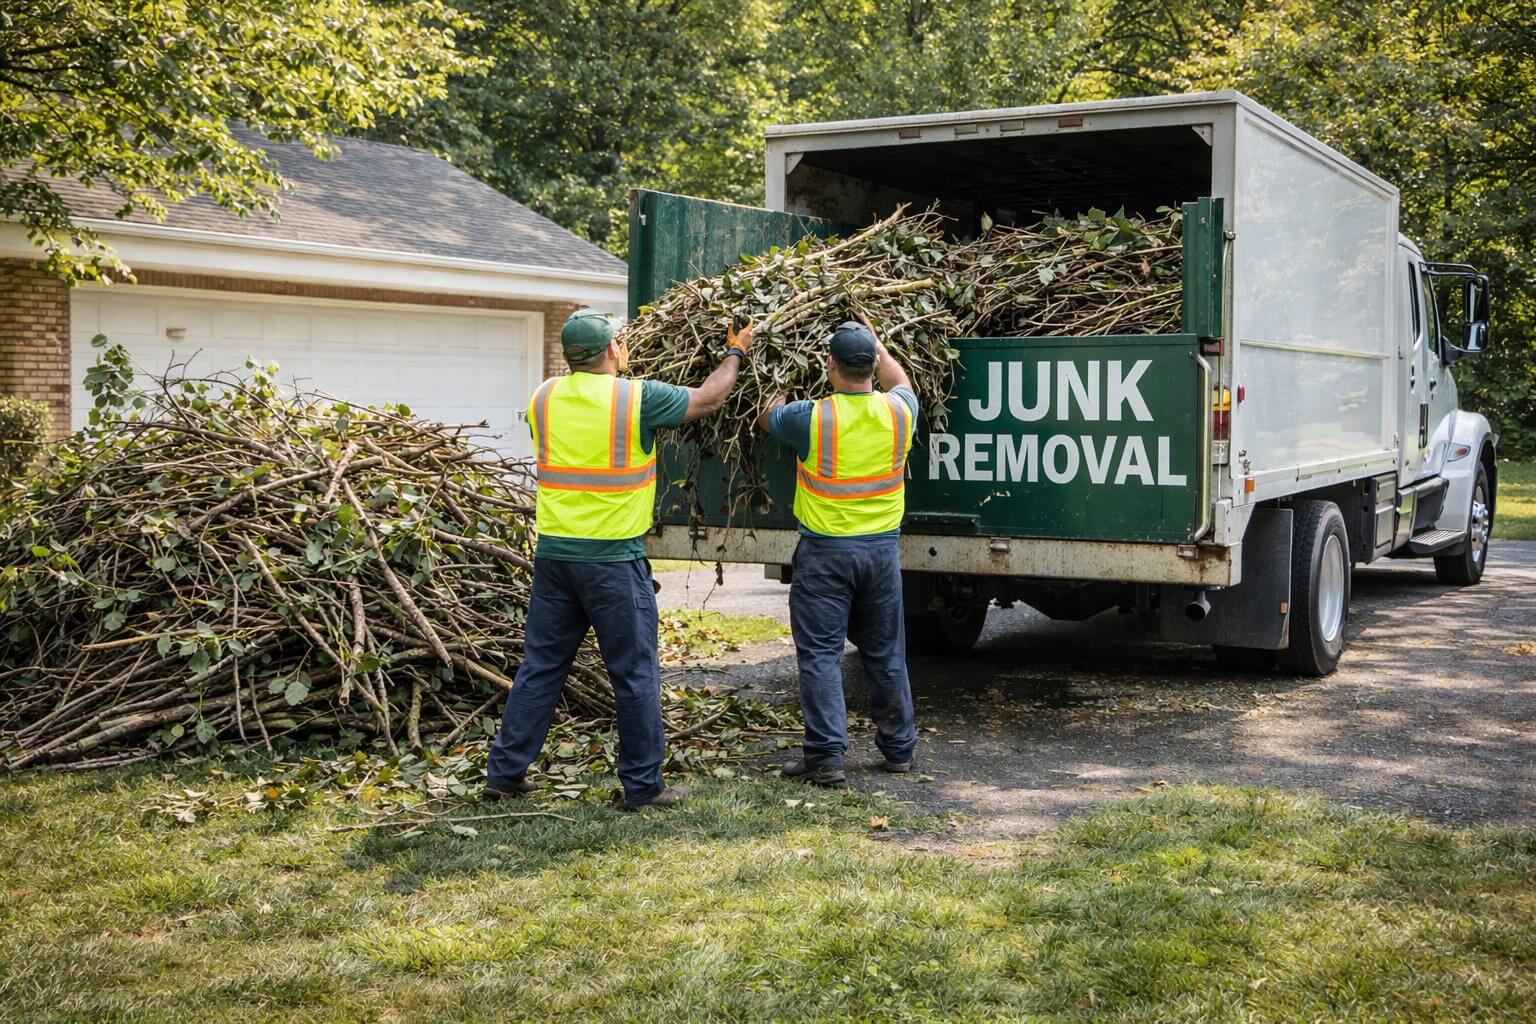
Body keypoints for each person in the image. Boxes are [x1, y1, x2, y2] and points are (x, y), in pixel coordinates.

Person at [483, 308, 754, 810]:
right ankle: (644, 787)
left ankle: (503, 775)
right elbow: (711, 398)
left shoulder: (542, 397)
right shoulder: (636, 397)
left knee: (540, 668)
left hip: (556, 557)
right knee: (634, 673)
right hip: (612, 561)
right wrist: (736, 350)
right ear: (613, 350)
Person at [757, 314, 918, 787]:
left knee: (822, 655)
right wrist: (877, 340)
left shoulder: (813, 417)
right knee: (886, 653)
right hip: (882, 554)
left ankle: (826, 758)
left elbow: (768, 413)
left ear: (829, 364)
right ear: (871, 364)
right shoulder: (900, 412)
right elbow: (902, 380)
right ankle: (899, 751)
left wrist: (779, 366)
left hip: (826, 553)